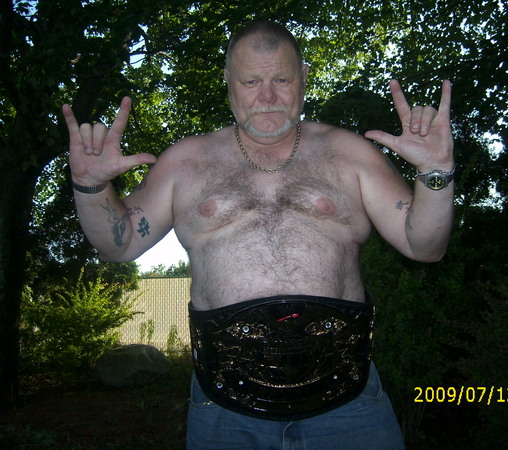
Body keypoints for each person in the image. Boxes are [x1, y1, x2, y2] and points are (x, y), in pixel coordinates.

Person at [63, 20, 454, 450]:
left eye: (281, 80)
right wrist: (90, 186)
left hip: (348, 402)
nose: (267, 97)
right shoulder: (185, 162)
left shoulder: (350, 154)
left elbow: (425, 246)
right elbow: (117, 245)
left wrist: (436, 171)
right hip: (224, 409)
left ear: (303, 77)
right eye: (251, 81)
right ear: (228, 80)